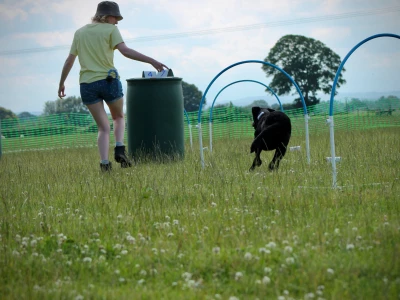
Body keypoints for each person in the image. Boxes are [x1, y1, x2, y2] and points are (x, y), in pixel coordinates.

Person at [58, 1, 168, 172]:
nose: (116, 22)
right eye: (115, 18)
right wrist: (152, 61)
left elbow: (69, 61)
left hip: (87, 85)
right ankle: (119, 149)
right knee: (118, 117)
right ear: (107, 16)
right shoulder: (110, 30)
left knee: (103, 127)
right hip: (108, 81)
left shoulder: (79, 33)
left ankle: (104, 164)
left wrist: (61, 83)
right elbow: (126, 51)